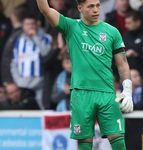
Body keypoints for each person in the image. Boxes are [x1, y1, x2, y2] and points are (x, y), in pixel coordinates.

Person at [36, 0, 133, 150]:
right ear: (80, 8)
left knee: (119, 141)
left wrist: (127, 89)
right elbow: (45, 9)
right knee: (84, 145)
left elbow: (122, 63)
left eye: (98, 5)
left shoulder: (112, 31)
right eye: (90, 6)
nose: (96, 10)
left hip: (107, 94)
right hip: (81, 94)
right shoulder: (71, 27)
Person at [10, 15, 52, 110]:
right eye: (28, 24)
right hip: (23, 84)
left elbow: (46, 54)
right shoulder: (18, 41)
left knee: (41, 109)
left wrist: (35, 38)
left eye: (33, 24)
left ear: (37, 25)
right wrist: (17, 80)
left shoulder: (46, 38)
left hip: (40, 83)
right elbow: (14, 63)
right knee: (24, 110)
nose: (31, 27)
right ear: (23, 26)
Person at [1, 6, 28, 85]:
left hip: (15, 79)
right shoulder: (15, 32)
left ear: (15, 18)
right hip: (9, 77)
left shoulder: (21, 34)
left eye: (12, 15)